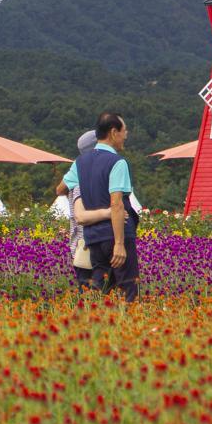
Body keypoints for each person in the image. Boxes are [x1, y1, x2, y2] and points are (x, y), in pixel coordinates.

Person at [61, 112, 141, 301]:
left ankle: (92, 323)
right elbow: (116, 203)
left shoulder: (80, 162)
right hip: (116, 234)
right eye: (124, 130)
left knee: (99, 289)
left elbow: (61, 187)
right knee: (128, 288)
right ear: (113, 132)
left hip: (93, 237)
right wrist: (120, 244)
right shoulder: (117, 162)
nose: (126, 135)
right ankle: (131, 326)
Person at [55, 130, 104, 287]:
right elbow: (60, 189)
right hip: (89, 240)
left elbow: (60, 190)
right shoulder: (83, 167)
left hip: (82, 241)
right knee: (95, 287)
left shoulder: (80, 166)